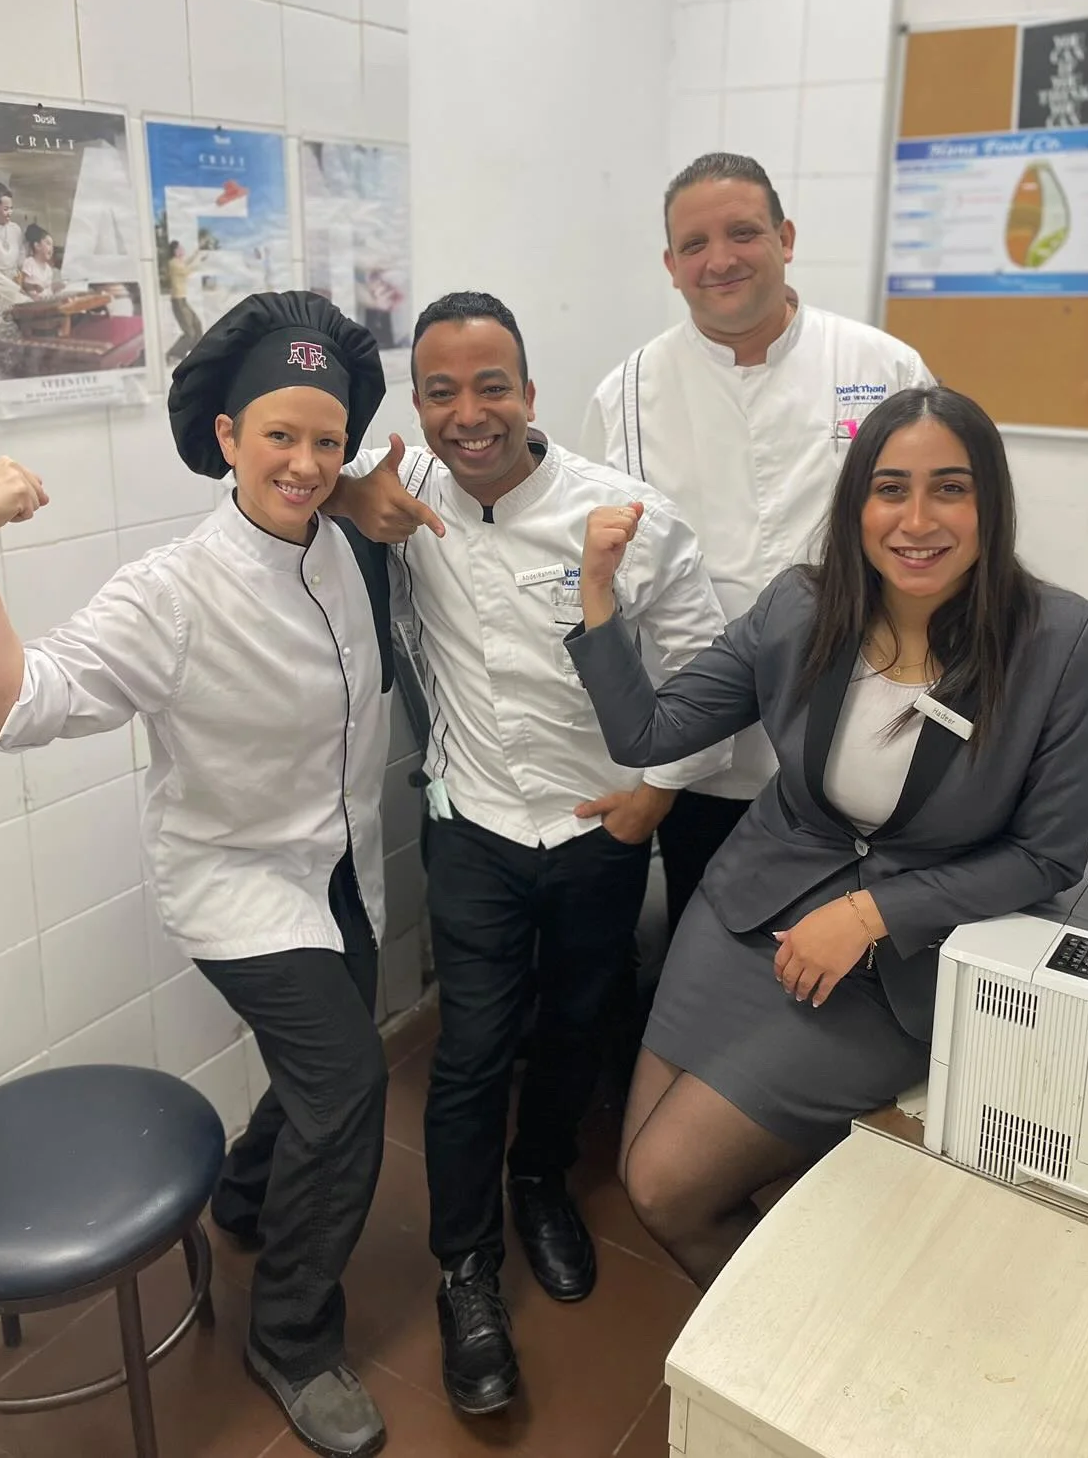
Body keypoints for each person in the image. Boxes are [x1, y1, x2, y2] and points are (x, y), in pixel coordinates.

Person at [0, 291, 395, 1458]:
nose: (303, 461)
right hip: (239, 885)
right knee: (347, 1088)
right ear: (225, 437)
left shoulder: (341, 541)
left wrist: (349, 491)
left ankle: (244, 1199)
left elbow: (331, 496)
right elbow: (11, 706)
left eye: (325, 440)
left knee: (322, 1069)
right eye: (277, 436)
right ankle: (293, 1338)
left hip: (340, 863)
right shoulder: (172, 593)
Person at [566, 385, 1088, 1290]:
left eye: (951, 488)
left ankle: (807, 1365)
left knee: (669, 1187)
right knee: (644, 1171)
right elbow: (648, 737)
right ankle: (782, 1356)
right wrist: (597, 595)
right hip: (747, 914)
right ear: (856, 502)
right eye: (890, 488)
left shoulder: (1061, 645)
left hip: (899, 963)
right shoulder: (800, 608)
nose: (916, 520)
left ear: (992, 503)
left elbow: (1049, 856)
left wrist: (873, 912)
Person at [329, 290, 729, 1417]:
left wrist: (658, 794)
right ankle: (465, 1271)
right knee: (469, 1048)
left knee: (575, 1017)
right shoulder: (400, 511)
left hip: (598, 824)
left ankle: (542, 1178)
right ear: (417, 405)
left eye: (489, 385)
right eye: (441, 391)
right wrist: (359, 500)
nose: (468, 414)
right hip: (474, 824)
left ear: (529, 392)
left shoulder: (625, 513)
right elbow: (277, 498)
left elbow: (709, 677)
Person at [581, 152, 935, 937]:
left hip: (870, 739)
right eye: (696, 245)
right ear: (671, 266)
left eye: (743, 233)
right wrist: (657, 771)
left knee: (851, 959)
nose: (721, 259)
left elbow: (938, 540)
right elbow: (624, 589)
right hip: (708, 759)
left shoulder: (883, 367)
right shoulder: (629, 395)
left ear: (786, 237)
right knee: (704, 948)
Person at [166, 239, 204, 361]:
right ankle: (173, 354)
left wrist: (196, 254)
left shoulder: (178, 262)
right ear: (175, 251)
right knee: (189, 333)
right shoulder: (173, 263)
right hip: (178, 301)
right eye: (180, 249)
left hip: (183, 300)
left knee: (197, 324)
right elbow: (186, 271)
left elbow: (186, 263)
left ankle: (197, 352)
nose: (182, 250)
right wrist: (200, 262)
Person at [18, 224, 58, 298]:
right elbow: (23, 283)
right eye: (48, 243)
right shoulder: (29, 263)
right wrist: (33, 286)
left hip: (44, 301)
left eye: (52, 246)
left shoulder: (49, 270)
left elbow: (48, 289)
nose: (51, 248)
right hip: (30, 301)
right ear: (37, 246)